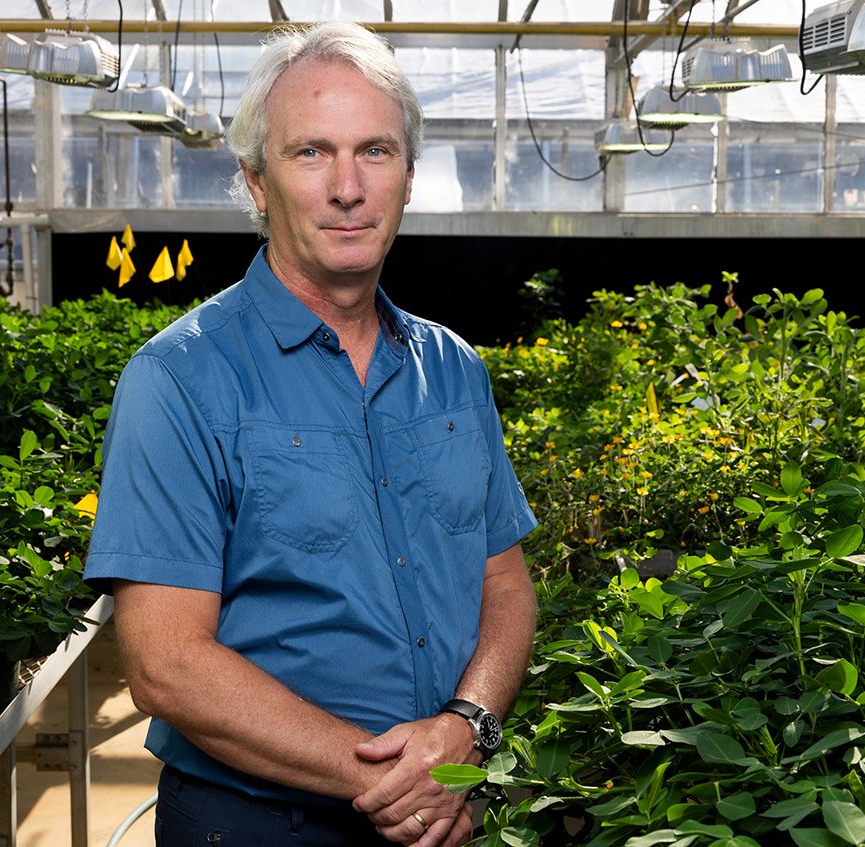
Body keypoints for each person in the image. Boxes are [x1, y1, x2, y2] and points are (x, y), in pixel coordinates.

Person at [82, 20, 539, 847]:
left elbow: (504, 583)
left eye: (375, 151)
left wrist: (469, 725)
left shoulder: (454, 369)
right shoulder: (180, 379)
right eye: (311, 153)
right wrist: (403, 782)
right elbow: (165, 663)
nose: (347, 186)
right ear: (257, 182)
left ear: (407, 175)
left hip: (449, 815)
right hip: (259, 825)